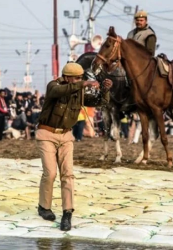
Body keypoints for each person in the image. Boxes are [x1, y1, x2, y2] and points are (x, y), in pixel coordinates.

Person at [36, 62, 112, 231]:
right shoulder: (54, 85)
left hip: (66, 136)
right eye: (77, 78)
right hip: (46, 134)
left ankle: (67, 212)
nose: (80, 80)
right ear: (68, 77)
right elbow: (57, 92)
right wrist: (83, 84)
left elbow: (99, 102)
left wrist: (105, 89)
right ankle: (44, 207)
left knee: (68, 174)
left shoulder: (80, 91)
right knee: (50, 173)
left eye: (81, 78)